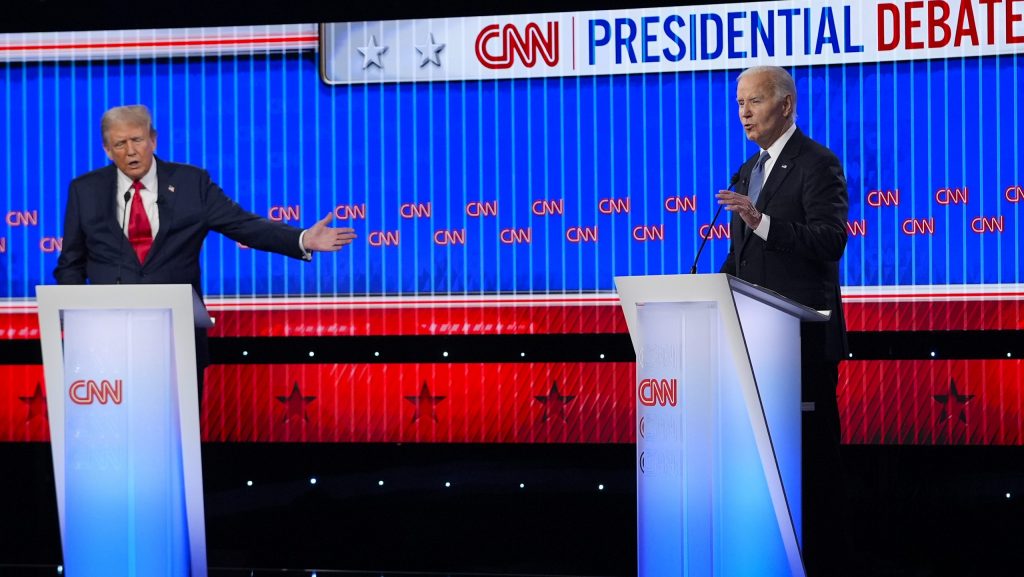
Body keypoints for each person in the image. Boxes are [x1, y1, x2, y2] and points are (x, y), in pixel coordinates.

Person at [53, 104, 357, 395]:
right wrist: (81, 324)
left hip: (175, 338)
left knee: (178, 437)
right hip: (108, 340)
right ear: (106, 149)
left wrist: (301, 239)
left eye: (137, 140)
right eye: (120, 144)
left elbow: (244, 225)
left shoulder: (190, 183)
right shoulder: (85, 190)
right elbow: (71, 263)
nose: (131, 151)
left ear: (153, 139)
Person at [716, 66, 850, 575]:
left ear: (786, 105)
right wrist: (714, 287)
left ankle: (826, 564)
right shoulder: (747, 170)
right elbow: (743, 258)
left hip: (802, 345)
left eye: (754, 101)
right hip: (754, 346)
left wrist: (762, 221)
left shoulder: (818, 164)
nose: (743, 112)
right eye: (739, 102)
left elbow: (830, 240)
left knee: (811, 471)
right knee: (764, 470)